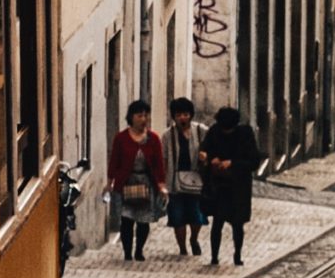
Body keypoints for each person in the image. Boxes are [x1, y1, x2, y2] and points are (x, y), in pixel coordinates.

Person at [200, 104, 262, 266]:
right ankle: (214, 257)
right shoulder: (215, 131)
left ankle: (237, 255)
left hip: (238, 186)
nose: (226, 133)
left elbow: (254, 161)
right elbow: (205, 149)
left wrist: (232, 163)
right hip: (218, 185)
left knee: (237, 224)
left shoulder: (245, 133)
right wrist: (209, 158)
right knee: (217, 222)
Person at [106, 100, 165, 261]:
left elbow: (159, 163)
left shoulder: (153, 138)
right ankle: (127, 252)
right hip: (126, 182)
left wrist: (161, 185)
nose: (143, 119)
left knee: (143, 220)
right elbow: (114, 161)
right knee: (126, 219)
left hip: (146, 182)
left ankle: (139, 250)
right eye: (140, 115)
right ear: (131, 117)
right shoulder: (121, 138)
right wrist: (110, 181)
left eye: (146, 115)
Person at [162, 99, 206, 256]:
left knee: (197, 216)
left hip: (196, 180)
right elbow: (164, 160)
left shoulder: (201, 131)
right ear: (174, 116)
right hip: (175, 182)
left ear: (191, 115)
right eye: (179, 114)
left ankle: (194, 239)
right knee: (178, 217)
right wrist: (163, 185)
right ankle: (182, 248)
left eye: (185, 114)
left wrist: (205, 156)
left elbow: (212, 148)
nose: (182, 118)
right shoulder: (168, 136)